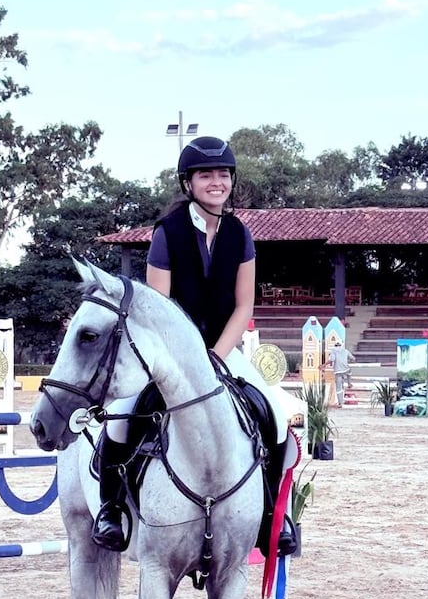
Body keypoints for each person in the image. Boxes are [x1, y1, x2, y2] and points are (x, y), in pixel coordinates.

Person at [91, 135, 298, 558]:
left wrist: (217, 358)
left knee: (274, 413)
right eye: (206, 175)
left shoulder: (240, 234)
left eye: (223, 174)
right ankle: (111, 509)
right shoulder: (167, 233)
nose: (216, 182)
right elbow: (158, 310)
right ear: (189, 183)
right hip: (171, 355)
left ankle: (271, 521)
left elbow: (244, 306)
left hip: (224, 349)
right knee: (125, 413)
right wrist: (187, 360)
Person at [324, 342, 355, 407]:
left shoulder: (333, 351)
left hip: (338, 371)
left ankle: (340, 403)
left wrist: (324, 365)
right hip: (345, 369)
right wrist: (347, 361)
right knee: (349, 372)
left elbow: (332, 359)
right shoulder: (345, 350)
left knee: (338, 387)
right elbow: (353, 358)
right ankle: (349, 383)